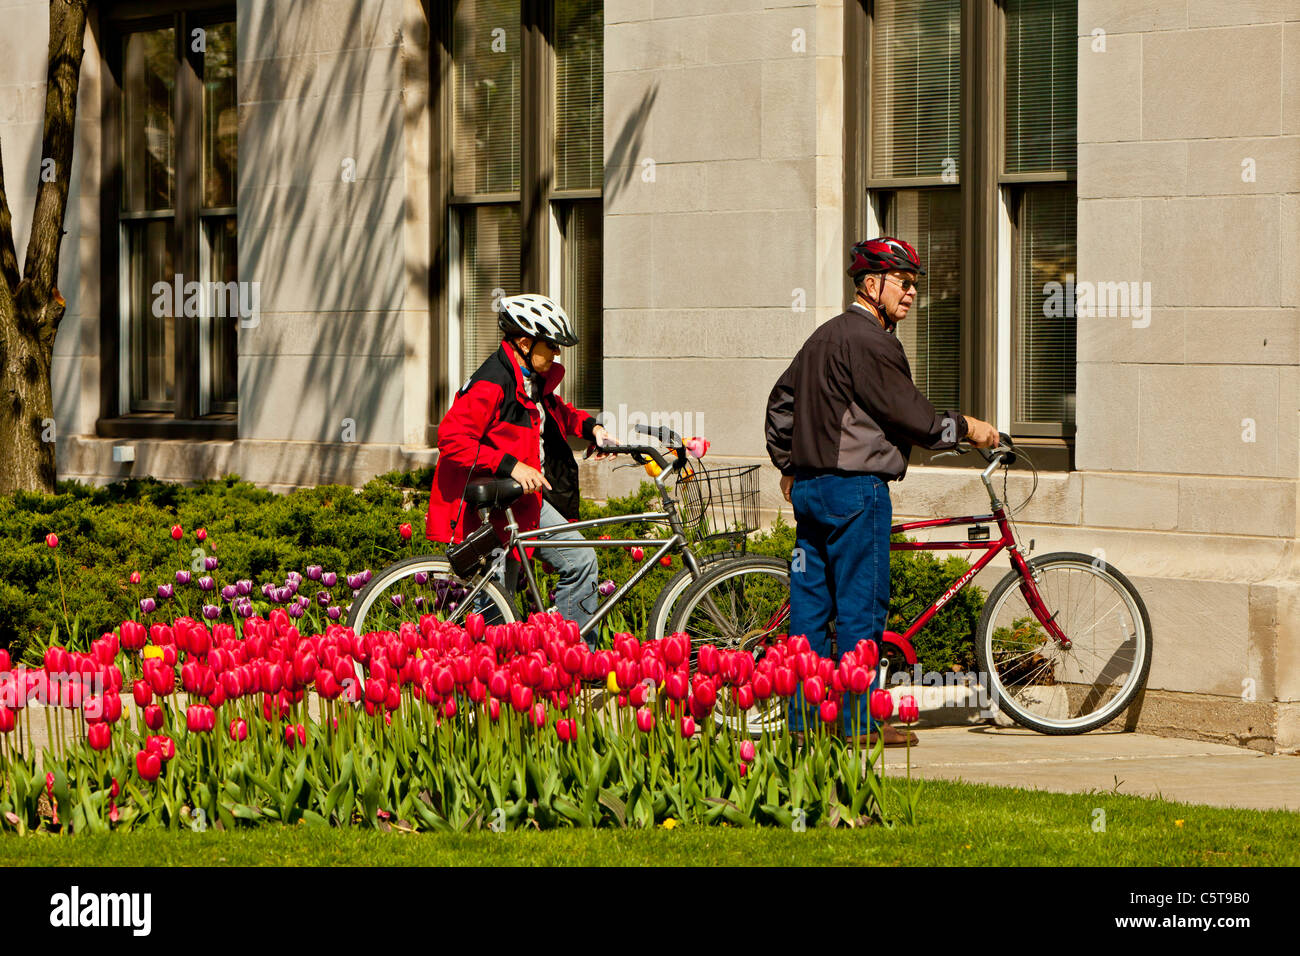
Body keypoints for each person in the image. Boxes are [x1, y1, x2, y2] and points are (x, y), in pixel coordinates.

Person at [764, 237, 999, 745]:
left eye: (915, 284)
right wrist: (969, 428)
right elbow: (908, 414)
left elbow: (780, 404)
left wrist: (789, 466)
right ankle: (856, 724)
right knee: (860, 608)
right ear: (872, 285)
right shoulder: (872, 341)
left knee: (809, 610)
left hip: (812, 494)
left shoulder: (823, 336)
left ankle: (804, 724)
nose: (911, 293)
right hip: (857, 493)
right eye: (904, 282)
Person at [425, 294, 613, 639]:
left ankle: (572, 663)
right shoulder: (492, 382)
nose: (557, 354)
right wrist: (511, 465)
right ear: (525, 342)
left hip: (524, 503)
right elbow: (451, 439)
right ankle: (484, 683)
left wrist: (593, 430)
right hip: (491, 507)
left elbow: (556, 411)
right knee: (497, 607)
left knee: (577, 562)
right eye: (552, 345)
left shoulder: (529, 379)